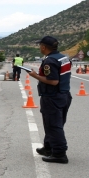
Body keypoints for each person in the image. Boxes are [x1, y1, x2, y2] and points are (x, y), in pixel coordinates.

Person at [27, 36, 72, 164]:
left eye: (40, 45)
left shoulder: (50, 61)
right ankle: (48, 147)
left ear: (43, 47)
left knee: (53, 125)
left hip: (53, 97)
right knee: (52, 124)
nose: (39, 47)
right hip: (64, 95)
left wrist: (35, 75)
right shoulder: (63, 58)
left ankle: (59, 153)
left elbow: (53, 81)